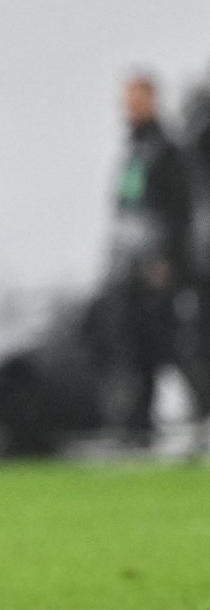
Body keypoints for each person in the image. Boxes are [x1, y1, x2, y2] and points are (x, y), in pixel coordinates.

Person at [107, 74, 197, 440]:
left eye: (138, 98)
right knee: (135, 346)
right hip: (130, 266)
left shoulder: (166, 150)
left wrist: (169, 260)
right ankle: (138, 421)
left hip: (157, 266)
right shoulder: (133, 150)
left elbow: (179, 211)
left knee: (172, 343)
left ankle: (200, 408)